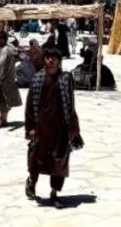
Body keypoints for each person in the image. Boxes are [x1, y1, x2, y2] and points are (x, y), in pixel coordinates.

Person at [25, 47, 84, 208]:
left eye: (54, 58)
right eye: (48, 57)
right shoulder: (37, 79)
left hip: (60, 128)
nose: (51, 60)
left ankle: (54, 193)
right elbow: (30, 105)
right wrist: (30, 127)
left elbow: (71, 103)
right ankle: (31, 182)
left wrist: (73, 125)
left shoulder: (66, 78)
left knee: (59, 162)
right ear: (44, 60)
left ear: (59, 60)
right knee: (35, 160)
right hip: (41, 127)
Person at [0, 32, 22, 127]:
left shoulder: (5, 50)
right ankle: (2, 118)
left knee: (3, 100)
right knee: (3, 100)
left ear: (3, 39)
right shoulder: (8, 49)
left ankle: (4, 119)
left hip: (4, 79)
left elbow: (1, 63)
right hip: (7, 78)